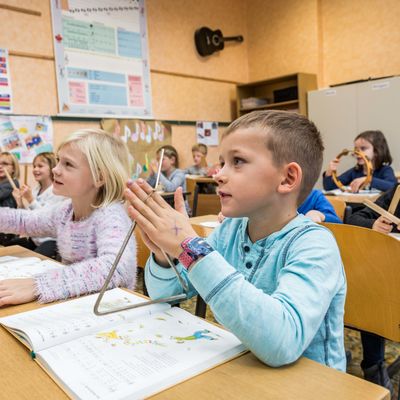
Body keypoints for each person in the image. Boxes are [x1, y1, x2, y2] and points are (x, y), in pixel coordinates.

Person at [125, 110, 346, 370]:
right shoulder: (231, 229)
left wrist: (190, 248)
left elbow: (282, 342)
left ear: (287, 179)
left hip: (313, 385)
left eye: (237, 161)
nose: (219, 174)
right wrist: (165, 255)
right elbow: (166, 294)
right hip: (245, 365)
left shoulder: (314, 245)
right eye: (222, 162)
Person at [0, 129, 136, 306]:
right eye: (58, 161)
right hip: (74, 301)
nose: (56, 170)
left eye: (68, 164)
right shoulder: (65, 210)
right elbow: (25, 221)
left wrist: (38, 284)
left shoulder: (110, 214)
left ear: (100, 177)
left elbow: (116, 268)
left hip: (111, 307)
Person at [347, 184, 400, 396]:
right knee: (371, 291)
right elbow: (353, 219)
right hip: (389, 274)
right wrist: (373, 225)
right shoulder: (397, 192)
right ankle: (373, 366)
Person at [10, 152, 66, 257]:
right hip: (35, 239)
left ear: (52, 168)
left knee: (33, 261)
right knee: (10, 248)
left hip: (51, 241)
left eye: (40, 166)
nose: (35, 169)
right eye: (34, 166)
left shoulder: (57, 191)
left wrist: (30, 199)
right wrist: (20, 202)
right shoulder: (36, 189)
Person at [323, 130, 396, 193]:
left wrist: (368, 180)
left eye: (363, 148)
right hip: (356, 207)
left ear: (376, 151)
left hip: (375, 208)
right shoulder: (354, 172)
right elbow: (329, 187)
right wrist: (329, 173)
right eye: (356, 149)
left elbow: (393, 187)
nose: (357, 153)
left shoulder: (385, 170)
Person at [0, 152, 20, 245]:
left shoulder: (12, 183)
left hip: (6, 233)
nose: (0, 166)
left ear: (13, 168)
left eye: (5, 163)